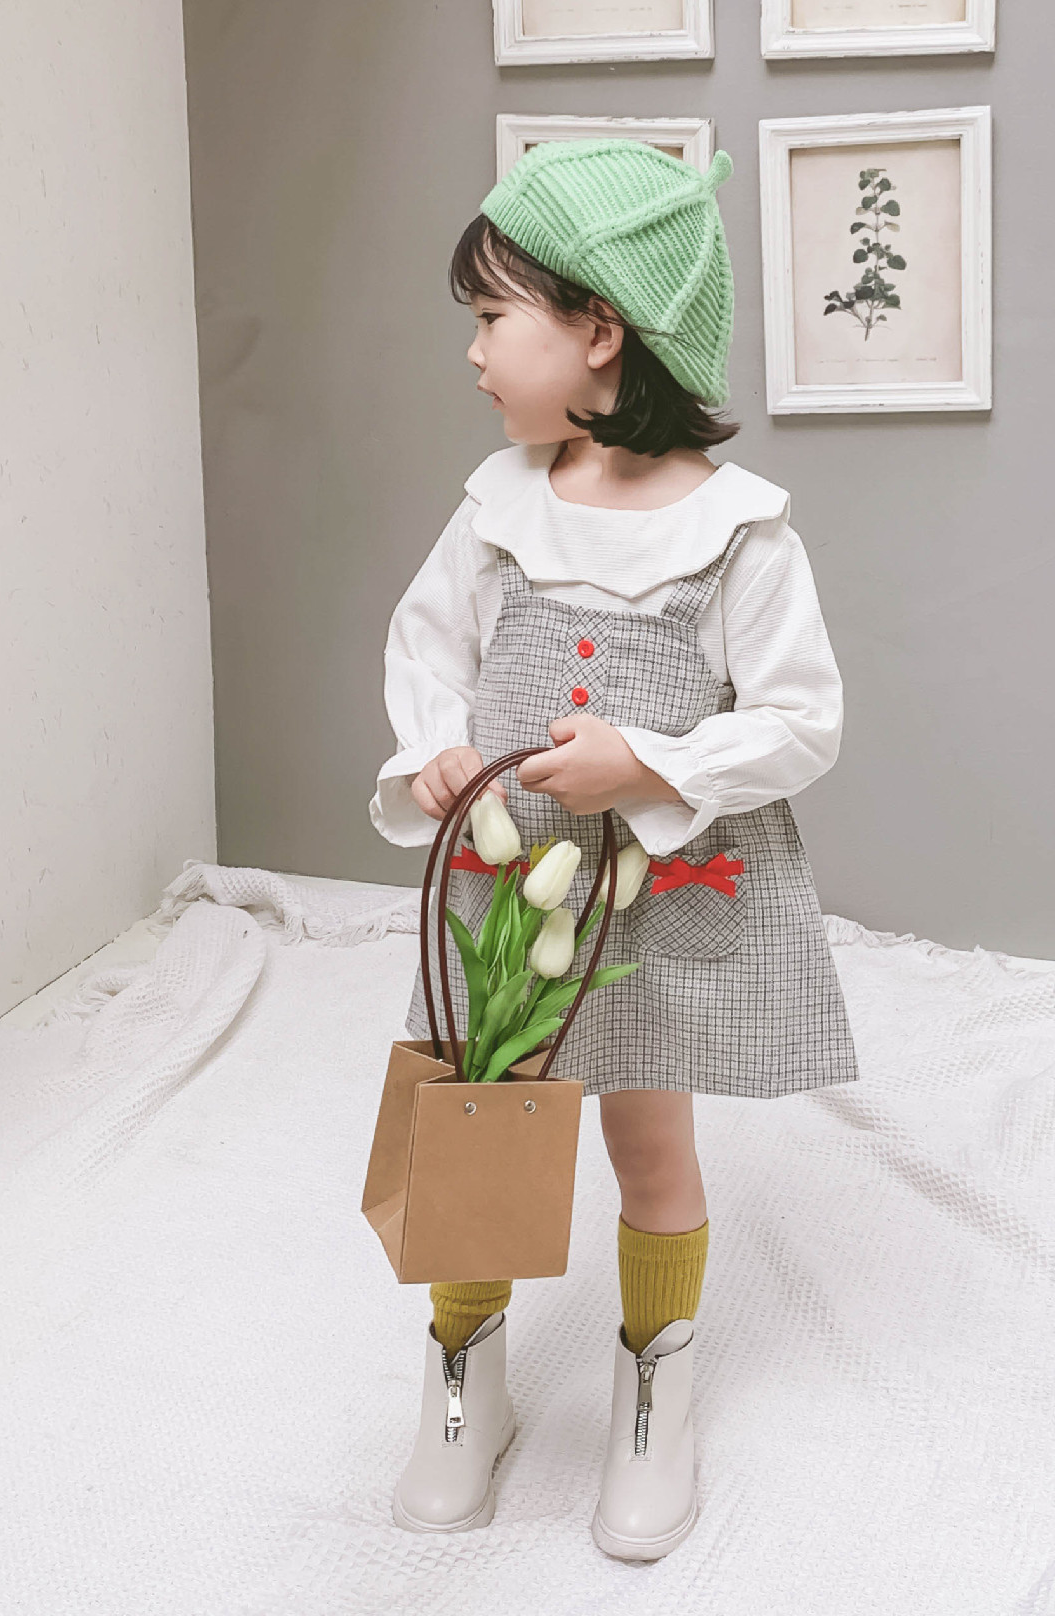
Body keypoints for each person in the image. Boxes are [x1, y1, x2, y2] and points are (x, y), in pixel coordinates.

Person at [368, 138, 858, 1560]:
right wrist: (435, 751)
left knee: (650, 1143)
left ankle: (659, 1385)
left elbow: (801, 721)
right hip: (511, 899)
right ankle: (466, 1374)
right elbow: (427, 650)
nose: (472, 352)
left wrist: (649, 762)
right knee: (481, 1121)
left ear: (598, 330)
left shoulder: (740, 533)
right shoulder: (498, 508)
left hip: (652, 906)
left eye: (491, 316)